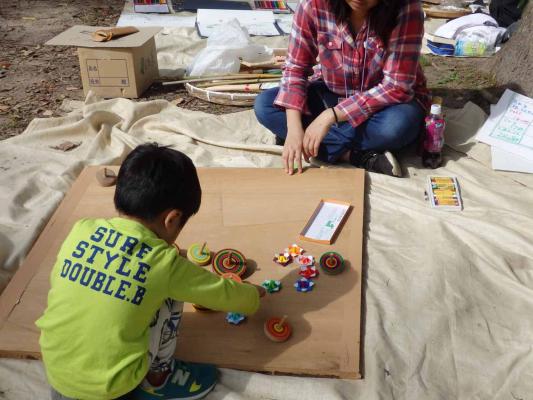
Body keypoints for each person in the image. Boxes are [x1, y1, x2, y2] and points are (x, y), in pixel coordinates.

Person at [36, 144, 266, 400]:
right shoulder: (164, 263)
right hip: (112, 386)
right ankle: (159, 376)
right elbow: (220, 294)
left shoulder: (81, 229)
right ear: (172, 219)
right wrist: (253, 294)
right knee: (171, 294)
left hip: (56, 369)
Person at [254, 0, 431, 177]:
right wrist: (293, 129)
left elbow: (396, 86)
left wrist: (330, 116)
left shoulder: (406, 8)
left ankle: (321, 145)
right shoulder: (314, 5)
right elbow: (295, 68)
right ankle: (353, 155)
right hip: (332, 93)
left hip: (385, 105)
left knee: (398, 126)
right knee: (265, 105)